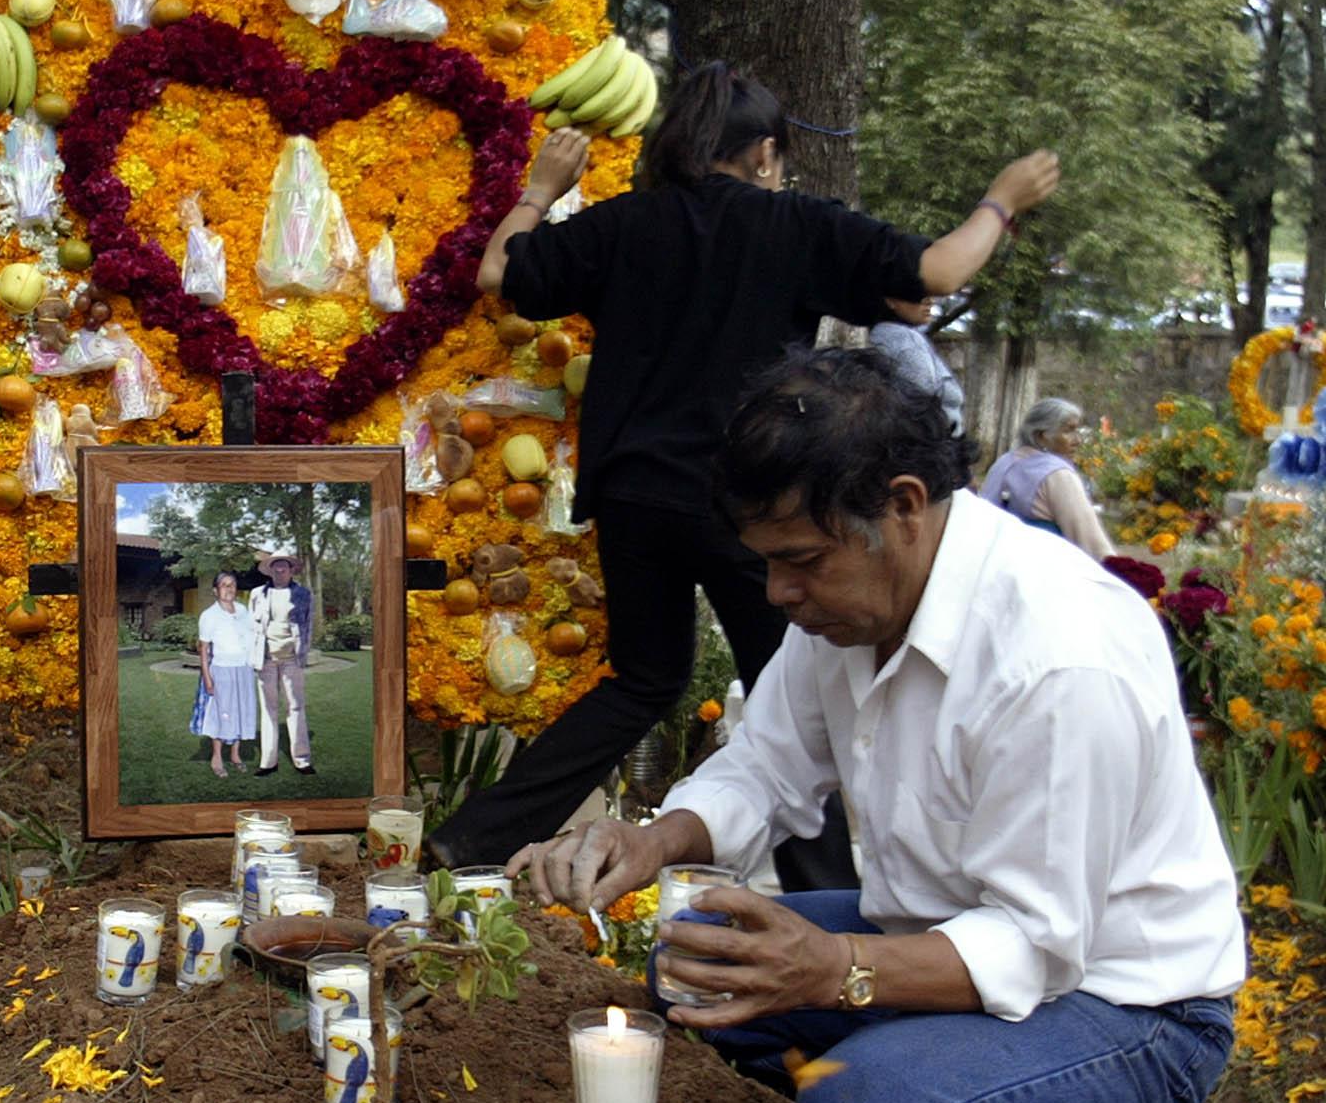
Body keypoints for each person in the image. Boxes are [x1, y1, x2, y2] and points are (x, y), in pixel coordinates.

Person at [513, 347, 1242, 1103]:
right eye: (764, 560)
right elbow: (764, 766)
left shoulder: (1055, 657)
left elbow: (1034, 949)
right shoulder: (852, 607)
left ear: (903, 505)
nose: (777, 592)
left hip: (1130, 1006)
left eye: (800, 560)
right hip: (945, 936)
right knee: (696, 956)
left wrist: (832, 971)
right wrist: (650, 840)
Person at [427, 61, 1061, 884]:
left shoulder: (629, 222)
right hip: (751, 503)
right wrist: (1001, 201)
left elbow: (499, 274)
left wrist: (542, 188)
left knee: (644, 679)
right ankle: (827, 899)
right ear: (764, 153)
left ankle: (472, 839)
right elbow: (939, 272)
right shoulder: (793, 225)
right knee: (800, 692)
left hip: (634, 493)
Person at [979, 397, 1115, 560]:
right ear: (1041, 436)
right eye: (1068, 431)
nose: (1078, 440)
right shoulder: (1057, 474)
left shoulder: (1003, 462)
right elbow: (1091, 542)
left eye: (1077, 431)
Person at [247, 550, 315, 776]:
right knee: (268, 709)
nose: (279, 569)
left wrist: (302, 653)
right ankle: (268, 762)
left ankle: (302, 760)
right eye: (275, 566)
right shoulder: (257, 594)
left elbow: (308, 626)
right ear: (270, 570)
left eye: (284, 565)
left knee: (295, 707)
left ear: (291, 570)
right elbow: (251, 628)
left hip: (291, 660)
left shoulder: (303, 594)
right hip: (265, 659)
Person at [191, 570, 258, 777]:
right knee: (221, 714)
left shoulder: (243, 610)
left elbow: (252, 637)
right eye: (224, 585)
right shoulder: (209, 616)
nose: (229, 589)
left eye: (232, 584)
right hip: (221, 670)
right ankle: (217, 757)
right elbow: (203, 649)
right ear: (215, 590)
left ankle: (235, 755)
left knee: (239, 711)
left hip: (244, 670)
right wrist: (208, 678)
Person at [868, 297, 965, 438]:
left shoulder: (882, 335)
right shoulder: (905, 340)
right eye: (918, 293)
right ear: (890, 300)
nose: (929, 301)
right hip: (928, 450)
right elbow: (920, 405)